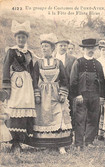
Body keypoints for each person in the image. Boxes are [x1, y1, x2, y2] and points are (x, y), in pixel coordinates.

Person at [31, 33, 72, 154]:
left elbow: (65, 79)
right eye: (42, 46)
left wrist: (63, 93)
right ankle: (47, 144)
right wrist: (37, 94)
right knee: (45, 117)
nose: (44, 49)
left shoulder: (58, 63)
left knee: (58, 117)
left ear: (52, 48)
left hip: (56, 92)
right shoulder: (38, 63)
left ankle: (61, 145)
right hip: (43, 94)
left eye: (46, 46)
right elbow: (34, 80)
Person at [2, 20, 36, 153]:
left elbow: (32, 71)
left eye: (23, 37)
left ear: (26, 38)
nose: (21, 39)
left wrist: (34, 87)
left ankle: (23, 141)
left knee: (26, 109)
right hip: (15, 84)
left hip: (27, 85)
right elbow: (5, 69)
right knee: (15, 110)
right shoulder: (11, 51)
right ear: (15, 38)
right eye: (19, 37)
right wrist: (6, 88)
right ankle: (14, 143)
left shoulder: (29, 53)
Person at [70, 38, 105, 151]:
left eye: (92, 48)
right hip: (82, 95)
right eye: (88, 48)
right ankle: (79, 143)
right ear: (83, 49)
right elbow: (73, 80)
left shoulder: (98, 64)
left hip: (95, 95)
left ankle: (89, 141)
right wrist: (77, 94)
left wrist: (101, 96)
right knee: (80, 119)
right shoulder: (78, 62)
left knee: (94, 118)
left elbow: (102, 81)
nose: (90, 50)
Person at [55, 38, 77, 130]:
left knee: (69, 108)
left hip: (69, 88)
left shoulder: (73, 59)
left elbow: (75, 74)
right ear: (56, 47)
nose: (63, 47)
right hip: (54, 87)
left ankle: (70, 129)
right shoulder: (51, 58)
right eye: (61, 45)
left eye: (65, 46)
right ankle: (56, 127)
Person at [97, 39, 105, 140]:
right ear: (100, 50)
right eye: (103, 50)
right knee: (99, 108)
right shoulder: (97, 61)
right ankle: (99, 131)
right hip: (100, 86)